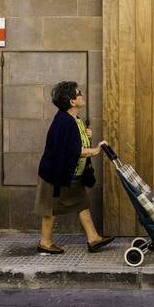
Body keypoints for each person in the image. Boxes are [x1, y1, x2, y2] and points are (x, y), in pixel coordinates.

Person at [34, 80, 115, 254]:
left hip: (71, 174)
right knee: (50, 207)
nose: (82, 95)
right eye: (79, 93)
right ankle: (45, 243)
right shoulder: (64, 121)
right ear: (72, 101)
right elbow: (71, 151)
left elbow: (75, 142)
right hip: (54, 174)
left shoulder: (75, 120)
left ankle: (93, 238)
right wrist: (95, 150)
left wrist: (88, 137)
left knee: (81, 203)